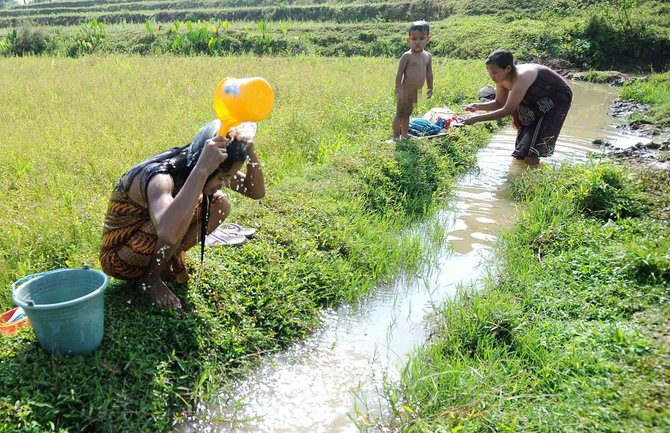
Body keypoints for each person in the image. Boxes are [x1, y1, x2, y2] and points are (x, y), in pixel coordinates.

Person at [99, 120, 265, 309]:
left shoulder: (207, 166)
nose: (224, 183)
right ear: (207, 165)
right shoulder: (161, 178)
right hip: (119, 259)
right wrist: (202, 170)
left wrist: (250, 150)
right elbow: (167, 231)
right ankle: (150, 279)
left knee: (220, 204)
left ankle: (167, 261)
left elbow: (255, 191)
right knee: (174, 219)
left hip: (148, 243)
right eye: (222, 178)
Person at [463, 49, 572, 163]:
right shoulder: (501, 79)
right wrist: (478, 107)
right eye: (489, 73)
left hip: (556, 97)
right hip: (535, 98)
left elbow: (506, 110)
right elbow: (500, 103)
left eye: (494, 73)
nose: (492, 77)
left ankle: (531, 171)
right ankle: (522, 169)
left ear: (508, 68)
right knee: (523, 142)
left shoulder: (522, 77)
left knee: (534, 146)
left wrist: (476, 119)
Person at [393, 20, 434, 140]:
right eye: (414, 39)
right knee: (400, 114)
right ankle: (396, 136)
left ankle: (404, 135)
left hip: (417, 91)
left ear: (428, 38)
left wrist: (430, 87)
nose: (417, 42)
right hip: (405, 90)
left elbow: (429, 73)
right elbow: (399, 73)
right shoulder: (407, 56)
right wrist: (397, 87)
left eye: (421, 38)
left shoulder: (428, 56)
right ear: (408, 40)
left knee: (408, 114)